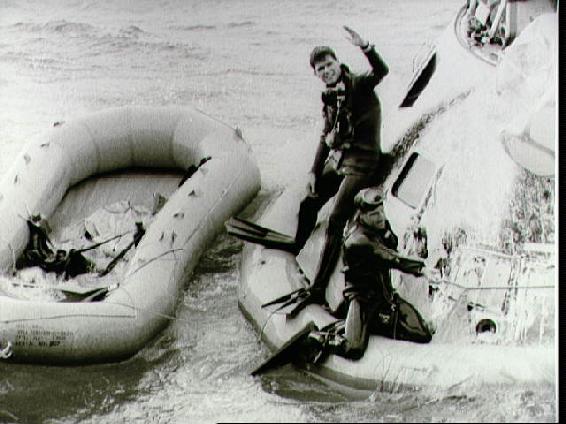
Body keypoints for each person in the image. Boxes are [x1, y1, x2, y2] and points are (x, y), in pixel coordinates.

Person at [252, 188, 435, 375]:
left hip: (385, 298)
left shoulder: (380, 225)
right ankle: (319, 338)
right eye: (374, 214)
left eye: (381, 211)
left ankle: (369, 325)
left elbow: (391, 246)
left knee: (421, 333)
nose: (380, 217)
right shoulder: (357, 240)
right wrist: (421, 268)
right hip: (362, 301)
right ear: (362, 215)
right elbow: (390, 258)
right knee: (353, 348)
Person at [289, 26, 390, 315]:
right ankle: (296, 246)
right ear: (316, 74)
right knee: (310, 199)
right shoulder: (329, 98)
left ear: (337, 63)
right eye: (321, 69)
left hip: (364, 163)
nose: (327, 71)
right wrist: (312, 171)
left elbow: (381, 72)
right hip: (344, 159)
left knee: (336, 219)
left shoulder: (358, 84)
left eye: (329, 65)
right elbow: (326, 136)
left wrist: (366, 46)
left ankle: (318, 289)